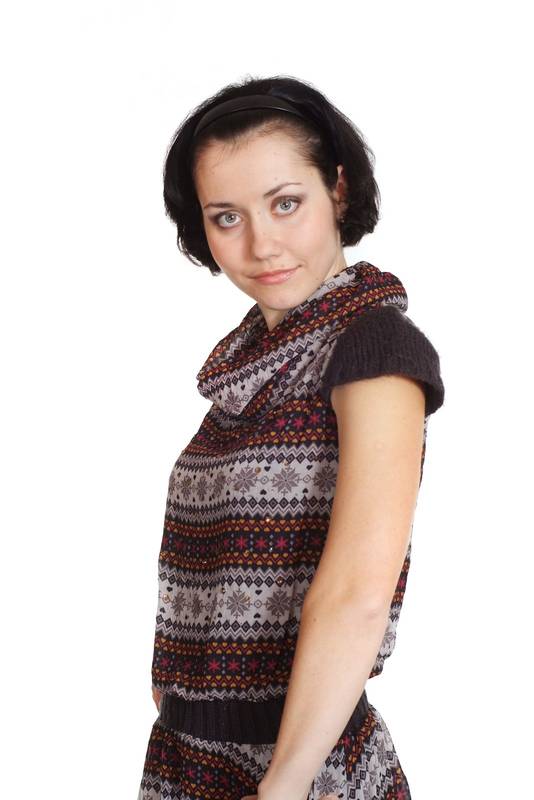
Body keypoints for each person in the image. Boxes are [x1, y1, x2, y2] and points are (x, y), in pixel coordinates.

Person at [137, 74, 445, 800]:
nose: (261, 244)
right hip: (192, 754)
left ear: (338, 189)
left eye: (285, 203)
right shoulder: (247, 366)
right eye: (227, 217)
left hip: (294, 765)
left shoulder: (372, 346)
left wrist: (285, 783)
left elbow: (358, 593)